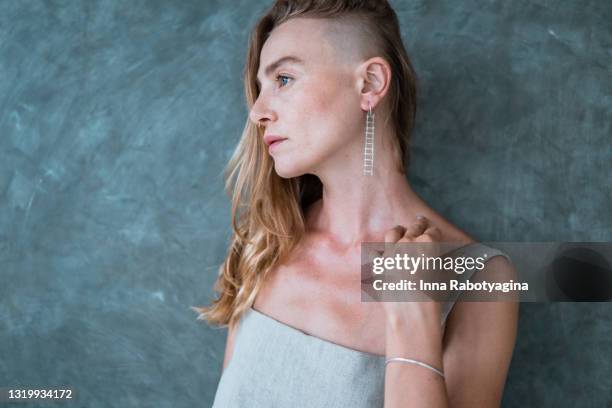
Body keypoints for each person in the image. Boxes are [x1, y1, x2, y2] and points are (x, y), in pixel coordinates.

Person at [192, 1, 519, 406]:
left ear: (369, 84)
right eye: (260, 87)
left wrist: (412, 328)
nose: (258, 111)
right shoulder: (266, 242)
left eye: (285, 78)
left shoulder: (480, 277)